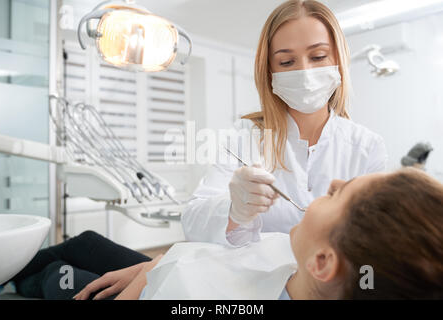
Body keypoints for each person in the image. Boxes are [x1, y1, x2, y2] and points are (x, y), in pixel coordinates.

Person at [181, 0, 388, 247]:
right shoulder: (246, 136)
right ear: (269, 72)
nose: (305, 72)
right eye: (287, 62)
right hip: (256, 280)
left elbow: (377, 241)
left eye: (318, 56)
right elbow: (192, 223)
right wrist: (234, 210)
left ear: (338, 61)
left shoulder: (367, 147)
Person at [90, 168, 443, 300]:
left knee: (62, 272)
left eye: (337, 194)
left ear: (321, 262)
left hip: (157, 279)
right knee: (85, 247)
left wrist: (153, 273)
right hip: (168, 265)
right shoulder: (302, 263)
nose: (331, 182)